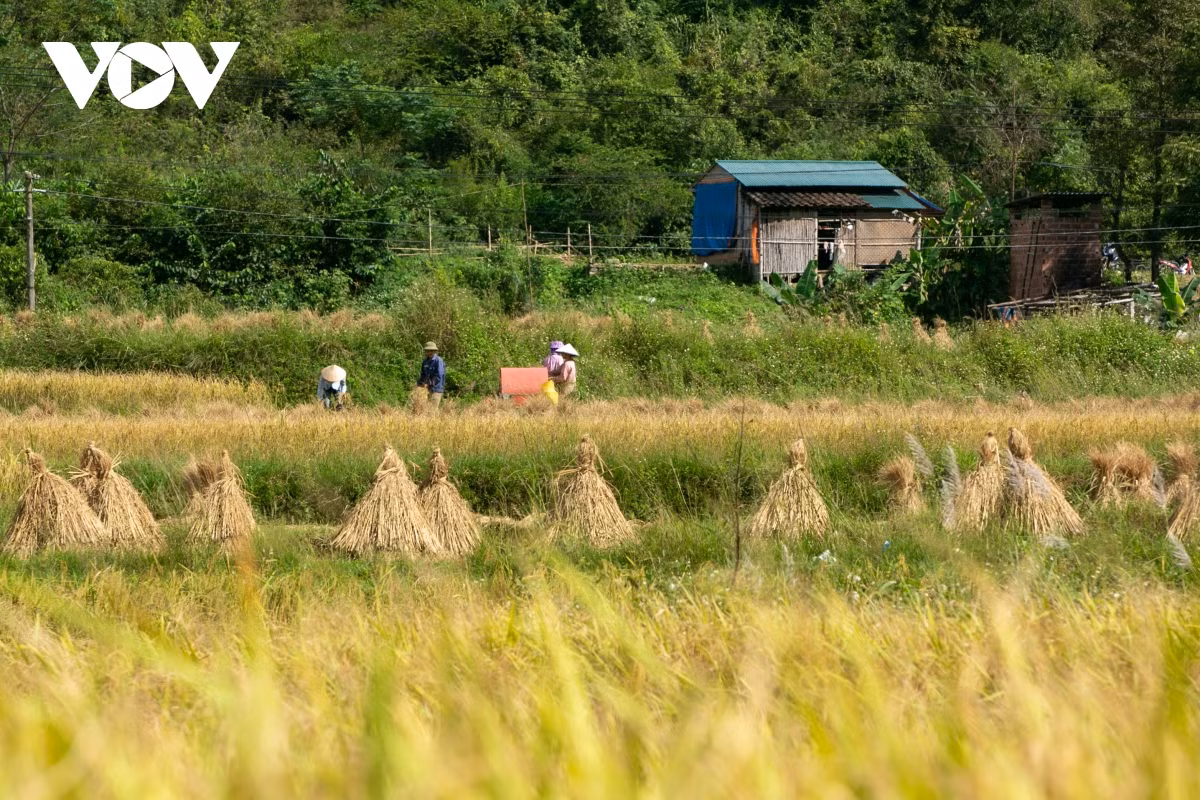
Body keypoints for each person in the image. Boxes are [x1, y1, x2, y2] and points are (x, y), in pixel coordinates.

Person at [417, 341, 446, 410]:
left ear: (435, 351)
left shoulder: (438, 361)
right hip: (427, 389)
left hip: (436, 389)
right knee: (426, 409)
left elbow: (439, 375)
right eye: (428, 351)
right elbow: (423, 375)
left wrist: (429, 384)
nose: (430, 352)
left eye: (432, 351)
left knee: (432, 410)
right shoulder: (425, 362)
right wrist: (419, 385)